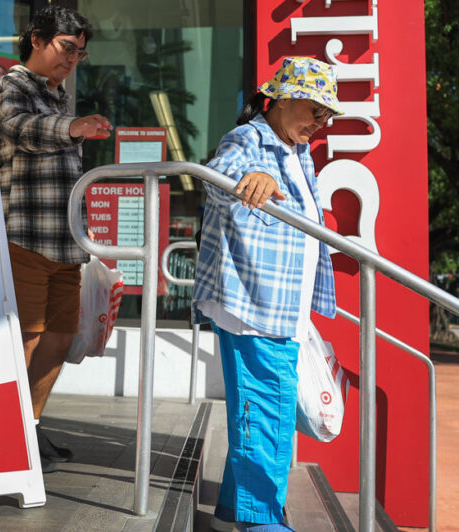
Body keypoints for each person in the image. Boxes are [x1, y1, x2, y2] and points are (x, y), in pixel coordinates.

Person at [192, 56, 342, 531]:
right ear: (277, 99)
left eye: (327, 115)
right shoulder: (250, 139)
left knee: (260, 409)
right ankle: (261, 523)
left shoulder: (300, 152)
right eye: (314, 109)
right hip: (255, 306)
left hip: (280, 306)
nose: (320, 122)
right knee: (268, 416)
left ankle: (235, 511)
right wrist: (252, 180)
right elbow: (221, 177)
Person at [0, 5, 112, 473]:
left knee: (60, 340)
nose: (72, 59)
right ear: (37, 39)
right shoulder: (10, 85)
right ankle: (1, 436)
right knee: (24, 340)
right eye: (66, 47)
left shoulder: (59, 97)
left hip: (66, 244)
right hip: (23, 238)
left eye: (80, 53)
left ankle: (28, 428)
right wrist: (73, 127)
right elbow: (19, 130)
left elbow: (64, 172)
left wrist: (85, 227)